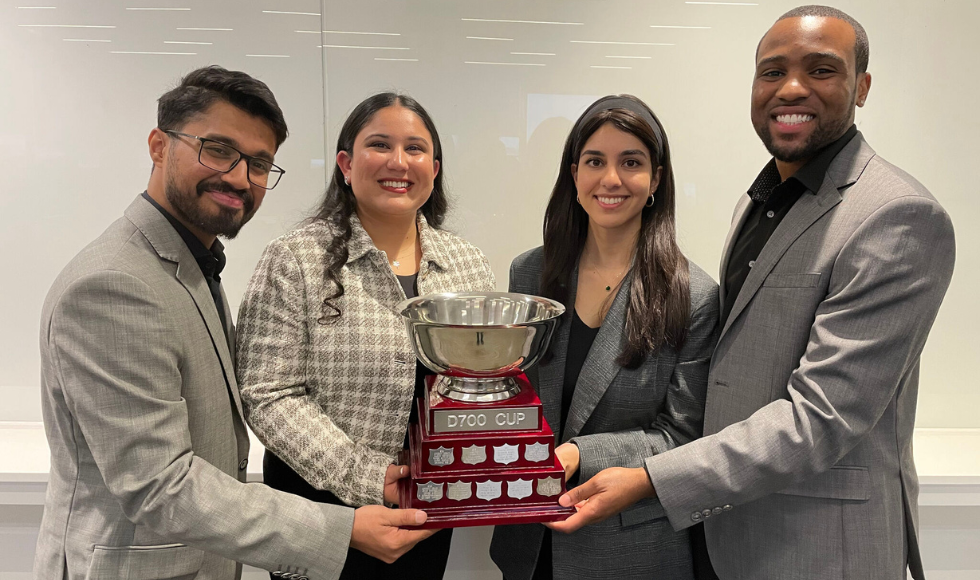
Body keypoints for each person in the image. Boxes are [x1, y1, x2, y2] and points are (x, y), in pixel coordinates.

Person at [548, 6, 956, 580]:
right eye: (772, 72)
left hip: (818, 546)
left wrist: (647, 476)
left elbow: (821, 418)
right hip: (725, 533)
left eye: (821, 70)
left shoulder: (897, 216)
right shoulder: (758, 202)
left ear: (861, 87)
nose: (791, 87)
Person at [35, 66, 434, 580]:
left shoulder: (188, 262)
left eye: (260, 163)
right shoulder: (114, 284)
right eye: (217, 149)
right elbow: (161, 484)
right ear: (159, 145)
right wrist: (344, 527)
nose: (240, 177)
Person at [235, 92, 495, 580]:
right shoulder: (294, 259)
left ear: (434, 168)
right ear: (346, 163)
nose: (399, 162)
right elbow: (267, 393)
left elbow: (476, 384)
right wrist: (368, 477)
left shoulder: (468, 264)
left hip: (426, 510)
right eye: (379, 145)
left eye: (416, 149)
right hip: (322, 512)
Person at [489, 95, 719, 580]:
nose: (610, 179)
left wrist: (578, 454)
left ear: (656, 179)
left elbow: (682, 436)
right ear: (574, 175)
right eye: (595, 161)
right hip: (527, 542)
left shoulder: (693, 295)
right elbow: (515, 393)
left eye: (631, 162)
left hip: (628, 549)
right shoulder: (529, 271)